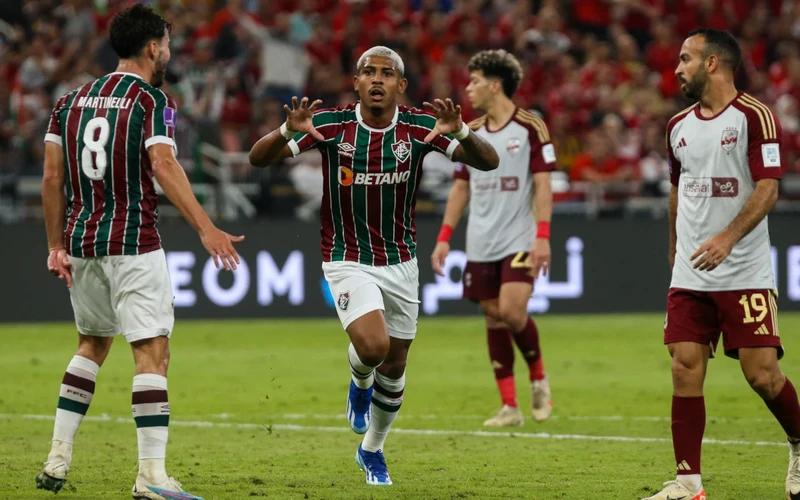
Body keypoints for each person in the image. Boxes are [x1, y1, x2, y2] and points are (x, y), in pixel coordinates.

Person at [248, 45, 499, 485]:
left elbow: (488, 162)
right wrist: (283, 131)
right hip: (346, 257)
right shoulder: (330, 126)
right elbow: (257, 158)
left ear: (401, 86)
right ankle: (359, 381)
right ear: (357, 82)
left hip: (401, 261)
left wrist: (460, 134)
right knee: (373, 348)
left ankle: (372, 451)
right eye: (369, 72)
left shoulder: (421, 129)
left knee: (397, 364)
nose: (377, 79)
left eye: (387, 73)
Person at [37, 5, 242, 500]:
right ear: (153, 47)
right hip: (133, 241)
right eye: (167, 44)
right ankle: (151, 476)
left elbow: (51, 178)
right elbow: (164, 164)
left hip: (83, 241)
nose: (168, 52)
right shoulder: (153, 100)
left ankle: (57, 458)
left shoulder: (70, 100)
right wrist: (206, 226)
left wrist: (54, 245)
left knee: (92, 343)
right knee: (152, 351)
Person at [644, 28, 800, 500]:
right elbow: (676, 190)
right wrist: (674, 247)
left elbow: (769, 187)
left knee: (762, 376)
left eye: (685, 59)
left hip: (744, 270)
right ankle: (688, 483)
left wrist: (729, 238)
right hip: (691, 272)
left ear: (712, 63)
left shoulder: (756, 117)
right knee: (683, 365)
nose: (677, 69)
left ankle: (799, 442)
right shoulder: (677, 126)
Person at [431, 49, 555, 427]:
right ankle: (509, 407)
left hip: (519, 236)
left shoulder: (531, 127)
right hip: (481, 240)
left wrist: (543, 235)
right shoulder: (472, 133)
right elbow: (461, 188)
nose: (468, 88)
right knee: (492, 317)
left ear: (495, 85)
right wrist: (444, 237)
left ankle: (538, 379)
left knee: (512, 311)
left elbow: (543, 181)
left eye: (475, 81)